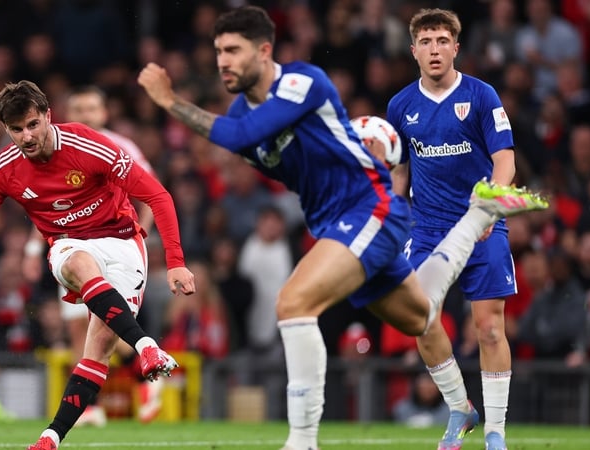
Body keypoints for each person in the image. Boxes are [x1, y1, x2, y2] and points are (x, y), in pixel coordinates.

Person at [138, 6, 547, 450]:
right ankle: (461, 404)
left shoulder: (300, 82)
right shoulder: (244, 111)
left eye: (233, 50)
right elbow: (254, 146)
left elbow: (239, 137)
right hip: (348, 220)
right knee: (422, 317)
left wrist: (169, 101)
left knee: (294, 302)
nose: (223, 62)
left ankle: (303, 441)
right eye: (218, 51)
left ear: (263, 50)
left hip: (367, 208)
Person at [0, 80, 195, 450]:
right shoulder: (2, 170)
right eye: (16, 129)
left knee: (99, 349)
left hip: (122, 243)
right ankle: (147, 347)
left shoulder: (91, 145)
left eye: (32, 125)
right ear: (6, 130)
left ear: (48, 117)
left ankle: (50, 437)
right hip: (68, 245)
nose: (26, 136)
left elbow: (157, 195)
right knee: (81, 266)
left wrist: (175, 262)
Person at [385, 8, 525, 450]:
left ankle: (496, 430)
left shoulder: (482, 96)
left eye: (442, 40)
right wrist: (389, 216)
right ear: (413, 51)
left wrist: (489, 205)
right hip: (426, 230)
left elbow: (505, 160)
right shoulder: (400, 105)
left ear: (456, 47)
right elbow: (398, 172)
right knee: (418, 318)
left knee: (488, 328)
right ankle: (460, 407)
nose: (434, 49)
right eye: (425, 42)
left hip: (481, 227)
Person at [20, 84, 160, 426]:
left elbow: (151, 192)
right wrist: (31, 249)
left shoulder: (120, 146)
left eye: (91, 109)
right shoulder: (55, 150)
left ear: (104, 112)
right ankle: (91, 408)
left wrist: (139, 235)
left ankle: (144, 377)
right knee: (74, 329)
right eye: (79, 109)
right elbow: (43, 207)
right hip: (71, 248)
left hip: (112, 246)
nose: (86, 115)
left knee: (104, 327)